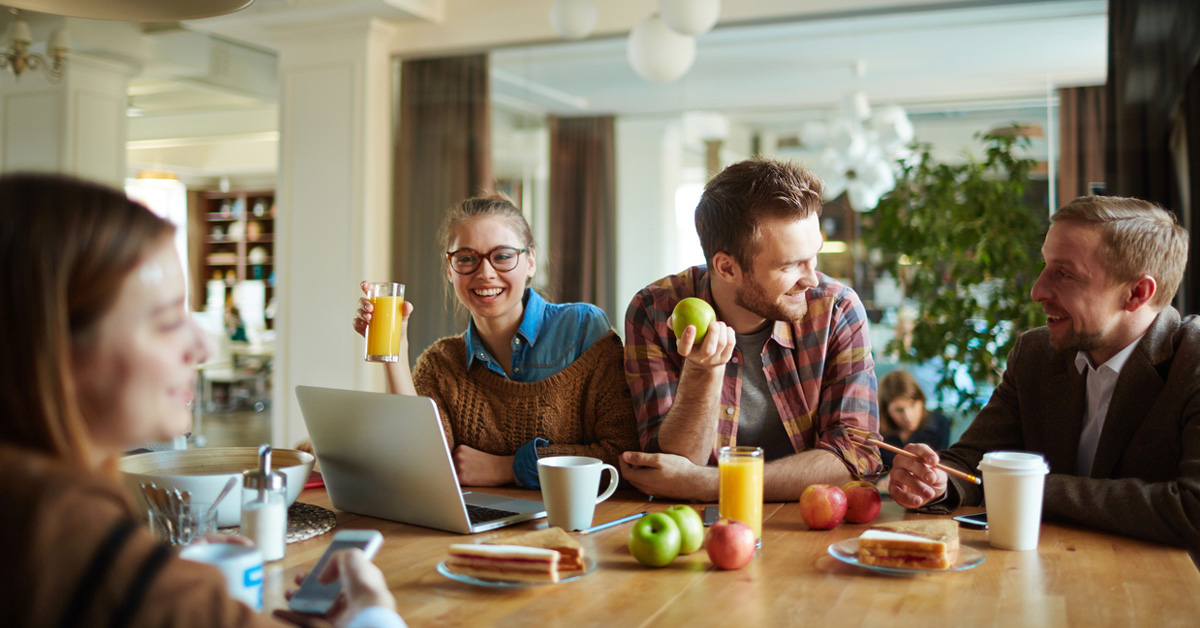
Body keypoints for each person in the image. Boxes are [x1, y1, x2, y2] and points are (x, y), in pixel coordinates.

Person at [0, 173, 404, 628]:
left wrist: (173, 576)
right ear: (57, 347)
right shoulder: (73, 538)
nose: (204, 349)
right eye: (168, 320)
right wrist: (372, 612)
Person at [889, 195, 1200, 551]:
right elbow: (971, 463)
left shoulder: (1192, 358)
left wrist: (1028, 485)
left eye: (1064, 274)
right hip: (1045, 573)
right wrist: (935, 480)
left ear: (1136, 293)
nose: (1037, 290)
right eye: (1045, 266)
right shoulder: (1035, 354)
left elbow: (1194, 509)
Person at [620, 158, 883, 501]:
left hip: (804, 523)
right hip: (698, 528)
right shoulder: (654, 312)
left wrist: (712, 484)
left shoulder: (836, 310)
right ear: (727, 267)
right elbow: (670, 470)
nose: (812, 279)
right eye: (791, 265)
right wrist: (703, 372)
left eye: (813, 257)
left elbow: (856, 458)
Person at [353, 193, 638, 488]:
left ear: (530, 262)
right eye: (466, 258)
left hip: (577, 525)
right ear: (450, 270)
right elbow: (415, 464)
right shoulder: (441, 364)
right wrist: (395, 352)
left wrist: (508, 468)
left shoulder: (582, 328)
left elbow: (623, 456)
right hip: (473, 530)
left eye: (502, 256)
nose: (485, 273)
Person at [877, 370, 951, 468]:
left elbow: (942, 468)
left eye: (912, 405)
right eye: (899, 410)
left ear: (921, 400)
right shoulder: (877, 432)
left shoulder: (940, 424)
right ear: (886, 411)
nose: (908, 416)